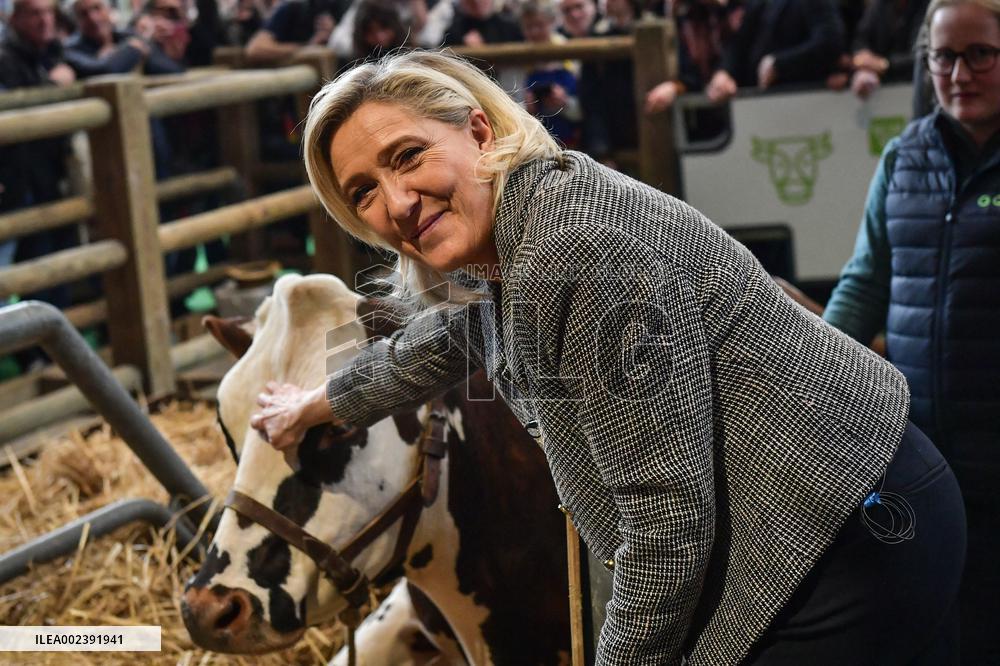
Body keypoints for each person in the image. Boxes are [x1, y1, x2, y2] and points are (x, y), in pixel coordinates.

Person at [247, 50, 966, 664]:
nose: (396, 201)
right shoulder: (524, 221)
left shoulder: (574, 253)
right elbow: (455, 334)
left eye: (408, 156)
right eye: (363, 192)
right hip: (831, 505)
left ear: (478, 130)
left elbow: (665, 520)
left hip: (846, 530)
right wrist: (327, 401)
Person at [823, 0, 1000, 662]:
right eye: (943, 56)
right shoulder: (904, 158)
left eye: (979, 53)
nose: (959, 72)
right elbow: (866, 281)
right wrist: (816, 377)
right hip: (925, 463)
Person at [705, 0, 845, 102]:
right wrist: (724, 73)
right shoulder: (758, 4)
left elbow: (830, 42)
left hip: (804, 99)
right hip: (759, 103)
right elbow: (738, 44)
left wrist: (779, 64)